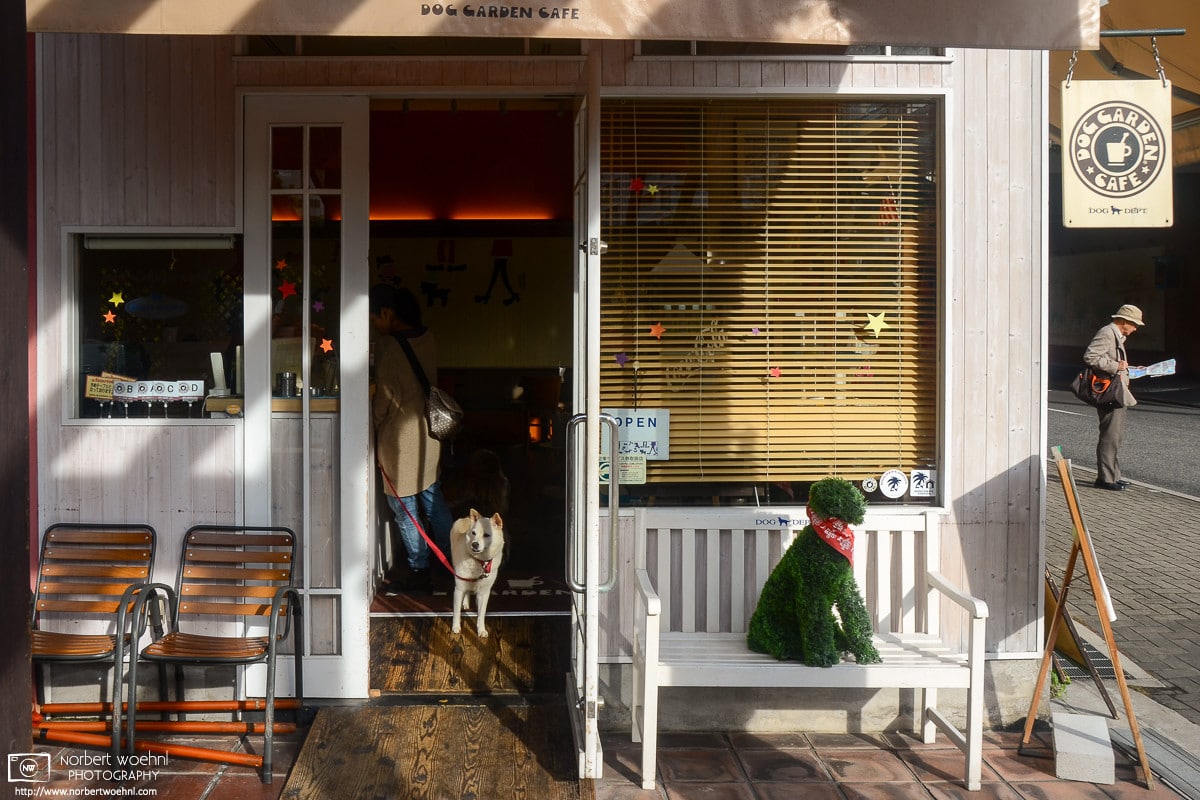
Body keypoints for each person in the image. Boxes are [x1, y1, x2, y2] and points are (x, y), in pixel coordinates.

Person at [370, 283, 454, 592]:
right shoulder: (428, 338)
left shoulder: (388, 347)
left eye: (374, 318)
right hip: (429, 435)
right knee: (434, 502)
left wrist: (372, 423)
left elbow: (384, 402)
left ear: (388, 313)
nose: (374, 325)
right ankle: (450, 562)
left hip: (400, 442)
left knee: (405, 510)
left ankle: (420, 572)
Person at [1082, 303, 1143, 491]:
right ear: (1124, 321)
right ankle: (1106, 479)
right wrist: (1117, 366)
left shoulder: (1118, 335)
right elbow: (1090, 357)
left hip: (1117, 390)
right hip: (1110, 392)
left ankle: (1113, 475)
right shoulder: (1107, 333)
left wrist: (1128, 369)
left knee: (1115, 436)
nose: (1135, 329)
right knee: (1110, 436)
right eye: (1134, 325)